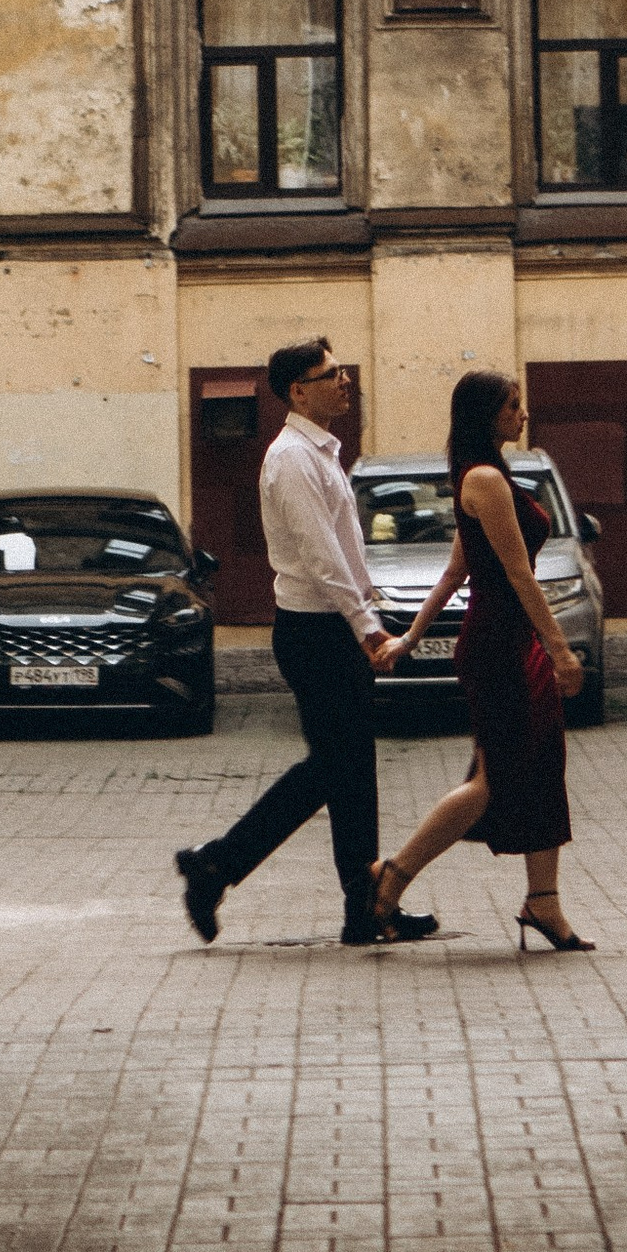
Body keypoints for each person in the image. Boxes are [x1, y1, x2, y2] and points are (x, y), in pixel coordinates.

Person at [173, 337, 439, 948]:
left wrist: (366, 609)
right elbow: (321, 555)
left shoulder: (318, 453)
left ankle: (362, 906)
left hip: (329, 629)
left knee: (350, 771)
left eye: (342, 371)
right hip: (315, 632)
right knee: (338, 768)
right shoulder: (291, 458)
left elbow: (343, 546)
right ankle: (217, 864)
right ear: (298, 390)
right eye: (330, 374)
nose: (345, 380)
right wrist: (366, 626)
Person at [372, 368, 593, 952]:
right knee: (491, 782)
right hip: (501, 645)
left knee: (540, 765)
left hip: (506, 641)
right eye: (512, 405)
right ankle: (390, 878)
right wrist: (561, 648)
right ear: (486, 414)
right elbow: (518, 575)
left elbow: (454, 569)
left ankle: (542, 902)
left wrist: (409, 638)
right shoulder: (486, 480)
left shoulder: (488, 477)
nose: (523, 415)